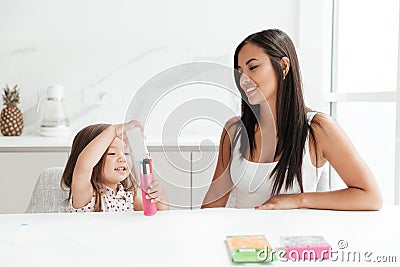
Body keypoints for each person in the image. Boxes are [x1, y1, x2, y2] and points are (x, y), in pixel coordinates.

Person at [202, 29, 382, 210]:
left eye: (253, 67)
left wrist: (298, 200)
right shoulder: (234, 130)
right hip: (245, 238)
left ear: (283, 66)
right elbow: (210, 209)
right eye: (239, 71)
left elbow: (371, 197)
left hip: (296, 237)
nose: (243, 80)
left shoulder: (318, 128)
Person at [61, 120, 169, 212]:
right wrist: (113, 131)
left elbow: (156, 220)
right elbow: (84, 164)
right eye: (112, 153)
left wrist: (160, 200)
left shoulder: (128, 196)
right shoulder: (85, 195)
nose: (123, 159)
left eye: (126, 153)